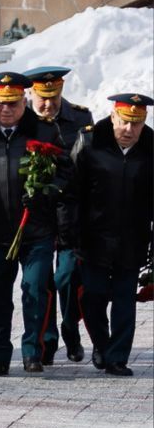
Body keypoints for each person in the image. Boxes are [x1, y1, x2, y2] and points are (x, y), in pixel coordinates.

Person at [0, 71, 60, 375]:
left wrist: (45, 191)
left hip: (36, 231)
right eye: (1, 104)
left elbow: (67, 175)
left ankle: (32, 351)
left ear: (24, 101)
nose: (6, 110)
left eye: (13, 103)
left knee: (34, 290)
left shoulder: (44, 132)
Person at [58, 93, 152, 378]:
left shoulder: (151, 147)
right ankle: (101, 343)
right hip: (93, 238)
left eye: (136, 124)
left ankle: (117, 357)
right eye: (124, 122)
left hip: (132, 238)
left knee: (125, 299)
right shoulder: (89, 142)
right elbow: (69, 191)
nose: (129, 130)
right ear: (113, 117)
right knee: (94, 297)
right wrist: (67, 232)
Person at [25, 65, 93, 364]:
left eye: (53, 97)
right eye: (42, 96)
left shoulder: (79, 117)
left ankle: (70, 329)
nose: (48, 104)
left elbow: (88, 166)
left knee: (66, 276)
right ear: (32, 93)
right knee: (43, 281)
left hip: (71, 213)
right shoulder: (24, 119)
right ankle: (48, 339)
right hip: (38, 214)